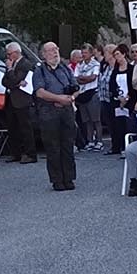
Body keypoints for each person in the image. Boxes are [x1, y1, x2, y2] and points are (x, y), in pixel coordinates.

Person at [35, 43, 78, 190]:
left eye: (56, 49)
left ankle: (69, 178)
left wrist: (71, 98)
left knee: (68, 145)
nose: (55, 52)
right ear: (44, 54)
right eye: (52, 50)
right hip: (49, 113)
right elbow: (40, 92)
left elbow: (76, 87)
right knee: (53, 147)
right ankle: (57, 180)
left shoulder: (65, 68)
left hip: (67, 111)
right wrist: (58, 99)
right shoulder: (39, 71)